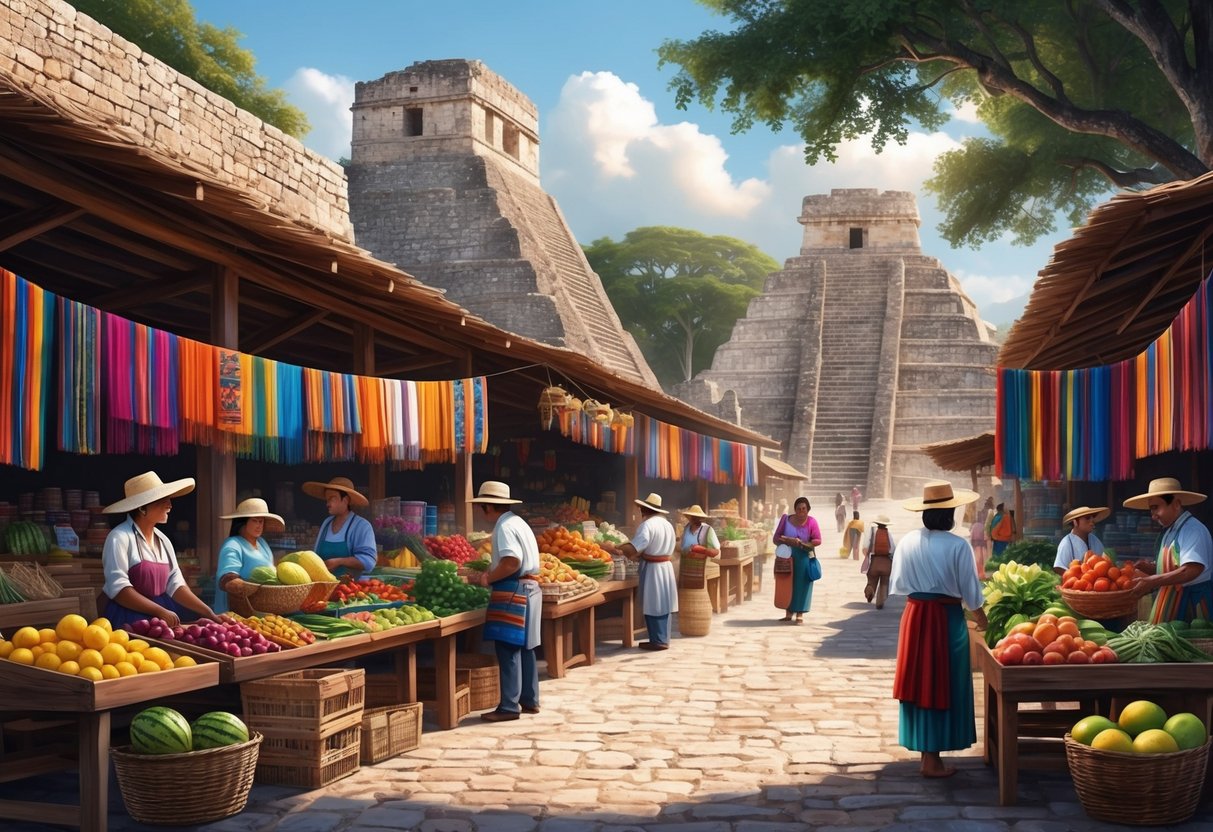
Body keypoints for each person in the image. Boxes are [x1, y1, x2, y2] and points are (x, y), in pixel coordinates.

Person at [890, 480, 988, 779]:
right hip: (945, 619)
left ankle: (926, 755)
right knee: (944, 681)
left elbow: (899, 584)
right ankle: (933, 761)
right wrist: (982, 619)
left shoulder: (907, 541)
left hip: (915, 616)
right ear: (949, 514)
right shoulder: (958, 545)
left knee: (919, 680)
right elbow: (970, 592)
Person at [101, 471, 217, 628]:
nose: (170, 505)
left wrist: (209, 612)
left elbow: (175, 584)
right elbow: (118, 589)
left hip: (163, 615)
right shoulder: (119, 537)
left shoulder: (163, 540)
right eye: (163, 500)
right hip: (130, 617)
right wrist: (159, 611)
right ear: (142, 508)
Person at [469, 481, 541, 722]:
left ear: (489, 506)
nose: (481, 512)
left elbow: (511, 561)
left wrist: (487, 577)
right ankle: (529, 700)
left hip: (513, 589)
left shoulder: (504, 527)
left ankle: (509, 706)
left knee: (507, 647)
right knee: (526, 646)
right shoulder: (517, 522)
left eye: (482, 507)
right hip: (530, 588)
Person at [1124, 478, 1212, 623]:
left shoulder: (1193, 530)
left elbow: (1191, 569)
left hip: (1193, 607)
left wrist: (1151, 581)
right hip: (1170, 607)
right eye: (1151, 509)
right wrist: (1149, 568)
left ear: (1176, 504)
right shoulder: (1170, 531)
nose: (1153, 515)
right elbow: (1173, 569)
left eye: (1156, 507)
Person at [608, 493, 677, 649]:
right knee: (664, 603)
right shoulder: (667, 524)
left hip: (654, 568)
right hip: (665, 567)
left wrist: (616, 547)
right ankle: (663, 638)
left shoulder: (647, 525)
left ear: (645, 509)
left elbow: (633, 548)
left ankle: (658, 640)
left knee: (653, 602)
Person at [213, 498, 286, 614]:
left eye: (261, 521)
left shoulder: (262, 543)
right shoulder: (232, 544)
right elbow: (227, 577)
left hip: (262, 609)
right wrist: (235, 583)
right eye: (254, 521)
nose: (259, 526)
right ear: (243, 522)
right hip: (236, 612)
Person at [302, 477, 376, 578]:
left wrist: (340, 561)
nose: (327, 504)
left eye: (332, 498)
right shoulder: (326, 523)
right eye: (327, 499)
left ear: (345, 500)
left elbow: (369, 561)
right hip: (324, 587)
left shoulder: (362, 526)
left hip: (350, 590)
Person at [773, 496, 822, 624]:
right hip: (787, 556)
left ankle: (800, 613)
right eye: (799, 509)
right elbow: (776, 537)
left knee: (802, 585)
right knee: (787, 583)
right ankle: (788, 612)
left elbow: (817, 539)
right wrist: (786, 540)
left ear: (808, 509)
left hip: (804, 557)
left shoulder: (812, 522)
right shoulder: (786, 519)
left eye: (804, 509)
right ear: (795, 509)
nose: (801, 512)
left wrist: (802, 543)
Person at [1053, 506, 1109, 575]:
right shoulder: (1066, 543)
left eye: (1093, 517)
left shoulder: (1096, 541)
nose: (1092, 521)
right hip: (1074, 584)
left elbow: (1104, 563)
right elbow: (1059, 568)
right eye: (1087, 518)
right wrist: (1075, 577)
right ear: (1075, 522)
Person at [862, 514, 896, 609]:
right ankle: (880, 601)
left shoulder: (872, 532)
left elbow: (865, 546)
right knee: (884, 583)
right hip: (886, 562)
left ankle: (870, 591)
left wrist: (867, 556)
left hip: (874, 561)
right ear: (886, 525)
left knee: (872, 580)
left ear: (877, 523)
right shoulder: (888, 534)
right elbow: (892, 548)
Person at [970, 497, 993, 579]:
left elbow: (971, 537)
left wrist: (972, 545)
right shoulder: (983, 526)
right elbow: (985, 537)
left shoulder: (974, 526)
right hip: (982, 546)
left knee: (977, 561)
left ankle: (978, 575)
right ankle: (981, 575)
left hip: (976, 546)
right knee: (982, 561)